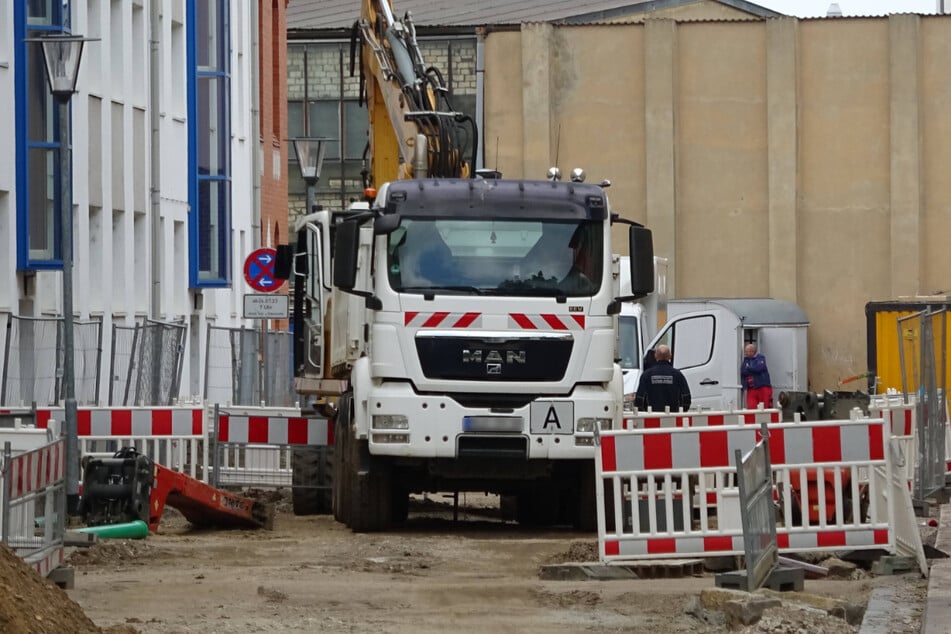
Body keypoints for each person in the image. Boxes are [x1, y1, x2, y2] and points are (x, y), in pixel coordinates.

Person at [634, 344, 691, 412]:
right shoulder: (678, 375)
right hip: (673, 417)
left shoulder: (646, 375)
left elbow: (639, 399)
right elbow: (686, 397)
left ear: (655, 356)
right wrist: (681, 411)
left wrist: (644, 413)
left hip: (652, 418)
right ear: (670, 356)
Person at [741, 343, 772, 408]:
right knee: (751, 407)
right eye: (745, 351)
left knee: (764, 408)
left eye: (747, 351)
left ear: (753, 351)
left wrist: (749, 368)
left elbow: (759, 368)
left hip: (762, 387)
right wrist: (752, 369)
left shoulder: (761, 358)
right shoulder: (745, 360)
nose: (745, 353)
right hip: (751, 388)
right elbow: (743, 372)